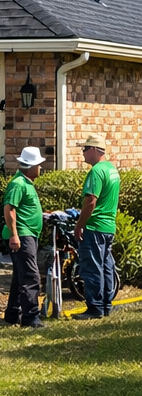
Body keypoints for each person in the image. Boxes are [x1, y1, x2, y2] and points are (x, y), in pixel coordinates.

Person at [74, 134, 121, 319]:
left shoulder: (97, 171)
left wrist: (80, 224)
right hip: (108, 226)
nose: (82, 153)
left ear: (94, 149)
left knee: (92, 267)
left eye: (85, 149)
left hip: (94, 227)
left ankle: (95, 308)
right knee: (106, 266)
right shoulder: (112, 169)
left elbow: (91, 201)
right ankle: (106, 305)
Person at [3, 147, 45, 328]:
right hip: (22, 235)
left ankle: (12, 314)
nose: (41, 168)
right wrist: (14, 235)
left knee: (20, 277)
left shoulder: (26, 183)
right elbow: (9, 209)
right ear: (31, 166)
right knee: (30, 276)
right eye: (39, 165)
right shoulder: (18, 184)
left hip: (28, 234)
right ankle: (31, 318)